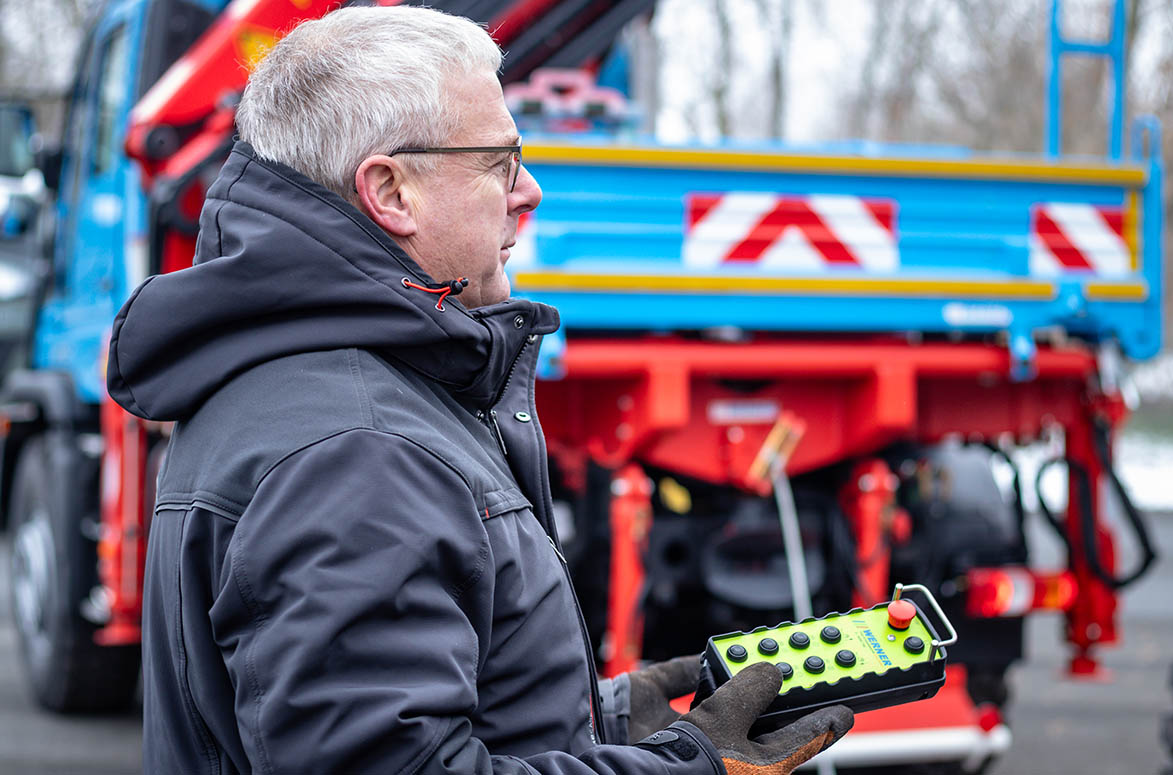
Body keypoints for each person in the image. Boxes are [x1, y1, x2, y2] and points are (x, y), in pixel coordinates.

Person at [106, 6, 853, 773]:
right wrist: (691, 767)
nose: (528, 192)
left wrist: (612, 718)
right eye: (499, 162)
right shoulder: (358, 453)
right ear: (390, 191)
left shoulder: (315, 386)